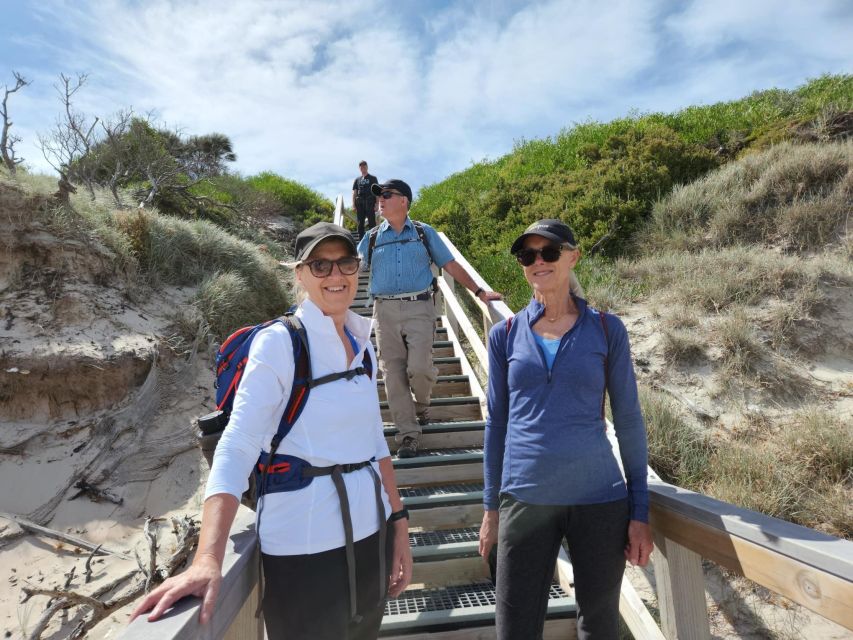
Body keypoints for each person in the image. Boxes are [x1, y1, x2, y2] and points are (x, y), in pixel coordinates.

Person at [131, 222, 413, 640]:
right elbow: (238, 444)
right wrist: (207, 557)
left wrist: (399, 524)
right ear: (299, 274)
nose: (336, 276)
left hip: (371, 538)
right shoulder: (281, 343)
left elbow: (374, 441)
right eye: (320, 265)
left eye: (345, 263)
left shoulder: (363, 341)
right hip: (305, 549)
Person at [478, 219, 653, 639]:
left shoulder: (608, 329)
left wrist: (640, 511)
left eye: (549, 252)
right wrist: (490, 510)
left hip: (599, 499)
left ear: (572, 256)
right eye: (528, 255)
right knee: (514, 627)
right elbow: (497, 423)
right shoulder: (504, 334)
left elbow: (628, 419)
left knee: (598, 626)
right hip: (524, 497)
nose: (539, 261)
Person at [357, 179, 502, 458]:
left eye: (386, 195)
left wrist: (480, 291)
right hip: (384, 311)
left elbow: (449, 264)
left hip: (420, 307)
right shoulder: (372, 237)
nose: (380, 200)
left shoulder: (424, 233)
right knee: (392, 374)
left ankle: (422, 405)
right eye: (379, 197)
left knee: (420, 368)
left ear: (404, 201)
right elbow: (352, 268)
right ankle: (408, 435)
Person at [352, 161, 379, 238]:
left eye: (364, 166)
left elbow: (377, 192)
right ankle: (361, 241)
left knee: (372, 223)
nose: (362, 167)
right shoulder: (357, 179)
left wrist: (377, 204)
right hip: (360, 203)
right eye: (361, 166)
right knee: (360, 223)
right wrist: (353, 205)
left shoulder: (373, 178)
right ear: (359, 168)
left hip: (370, 203)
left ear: (367, 167)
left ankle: (373, 242)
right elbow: (354, 192)